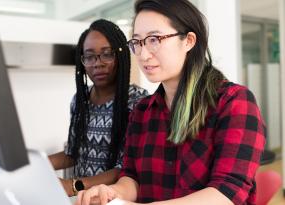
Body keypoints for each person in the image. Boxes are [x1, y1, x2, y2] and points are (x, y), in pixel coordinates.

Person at [75, 0, 266, 205]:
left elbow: (227, 193)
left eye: (154, 39)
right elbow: (131, 177)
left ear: (189, 41)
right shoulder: (143, 110)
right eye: (138, 42)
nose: (144, 54)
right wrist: (112, 193)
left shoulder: (234, 102)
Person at [48, 19, 148, 197]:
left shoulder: (138, 102)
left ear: (120, 56)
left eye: (107, 54)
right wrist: (38, 165)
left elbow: (125, 167)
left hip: (114, 198)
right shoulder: (80, 100)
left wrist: (73, 186)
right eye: (89, 56)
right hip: (83, 199)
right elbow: (73, 153)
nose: (97, 63)